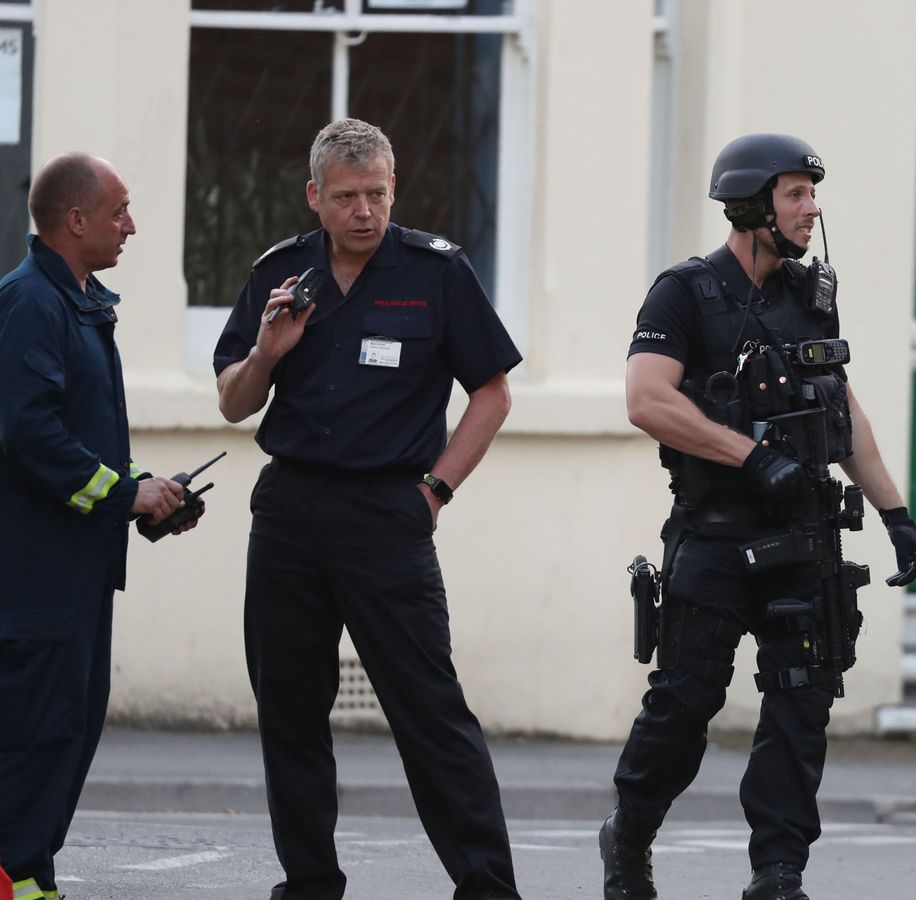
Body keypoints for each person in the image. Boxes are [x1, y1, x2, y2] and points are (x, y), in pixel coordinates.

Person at [599, 133, 916, 900]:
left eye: (813, 194)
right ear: (750, 205)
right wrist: (749, 456)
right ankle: (631, 834)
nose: (812, 208)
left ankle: (778, 874)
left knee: (800, 708)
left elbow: (839, 407)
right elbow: (647, 400)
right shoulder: (684, 292)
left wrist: (896, 512)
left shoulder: (811, 296)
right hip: (716, 535)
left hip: (805, 540)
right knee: (685, 704)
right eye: (796, 194)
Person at [212, 119, 523, 900]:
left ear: (394, 188)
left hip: (391, 513)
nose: (363, 211)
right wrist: (268, 352)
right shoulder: (281, 274)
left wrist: (437, 491)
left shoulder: (438, 272)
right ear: (315, 197)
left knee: (431, 712)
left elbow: (492, 393)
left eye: (376, 194)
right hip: (290, 511)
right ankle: (310, 883)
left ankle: (487, 886)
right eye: (346, 196)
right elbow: (232, 402)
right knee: (290, 712)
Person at [0, 153, 192, 900]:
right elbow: (30, 435)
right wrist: (125, 496)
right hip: (36, 582)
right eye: (120, 212)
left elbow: (77, 436)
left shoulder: (76, 302)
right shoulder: (32, 305)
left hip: (75, 579)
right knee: (35, 742)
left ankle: (30, 879)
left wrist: (144, 492)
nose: (131, 226)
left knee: (65, 739)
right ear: (74, 220)